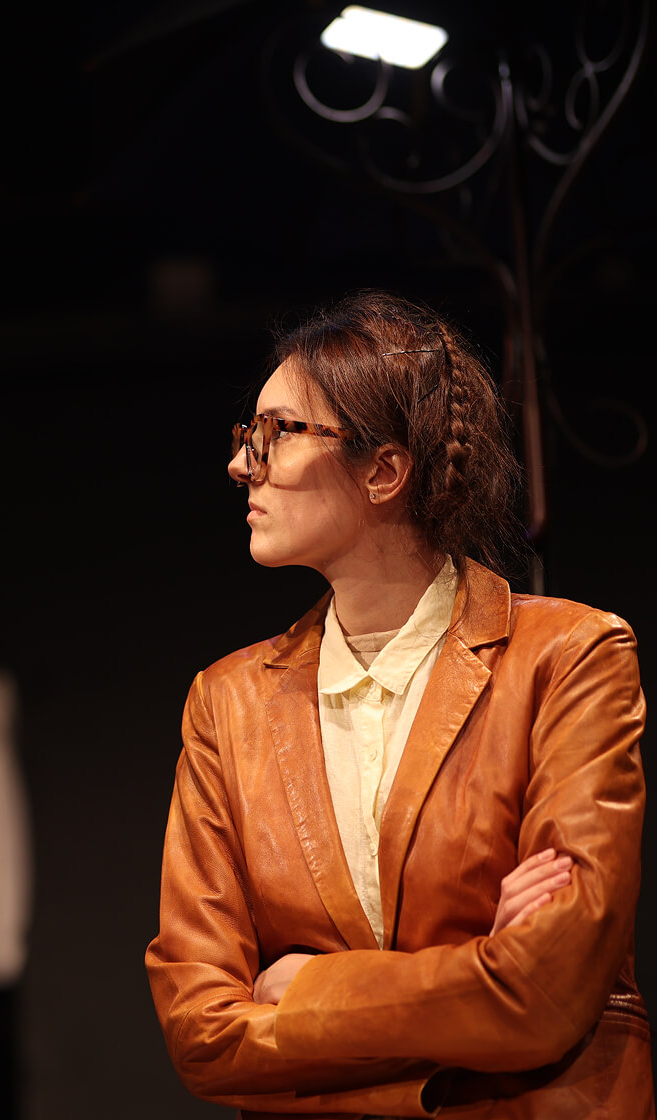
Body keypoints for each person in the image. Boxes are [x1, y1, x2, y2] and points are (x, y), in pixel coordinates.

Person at [144, 291, 650, 1118]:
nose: (242, 465)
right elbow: (202, 1032)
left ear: (383, 471)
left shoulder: (568, 657)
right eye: (248, 435)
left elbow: (544, 993)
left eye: (277, 432)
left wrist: (307, 989)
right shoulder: (226, 706)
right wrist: (474, 970)